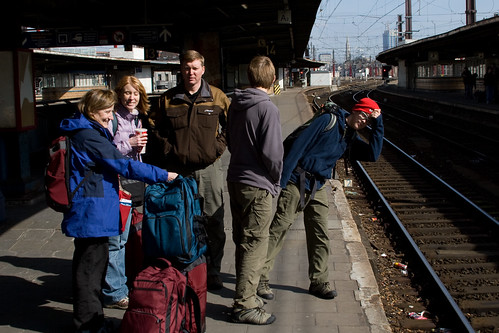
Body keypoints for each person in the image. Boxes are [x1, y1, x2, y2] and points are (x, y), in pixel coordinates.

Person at [59, 89, 178, 333]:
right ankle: (89, 326)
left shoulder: (85, 132)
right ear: (92, 111)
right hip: (92, 212)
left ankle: (93, 321)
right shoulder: (89, 137)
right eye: (107, 111)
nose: (111, 116)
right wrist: (163, 175)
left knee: (91, 268)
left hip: (92, 210)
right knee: (90, 272)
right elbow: (123, 164)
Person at [257, 97, 384, 301]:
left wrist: (378, 125)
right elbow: (298, 146)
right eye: (363, 116)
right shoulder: (328, 121)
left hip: (318, 185)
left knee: (320, 234)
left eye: (369, 121)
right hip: (296, 180)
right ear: (356, 110)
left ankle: (318, 281)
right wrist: (278, 183)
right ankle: (259, 278)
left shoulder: (350, 136)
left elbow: (373, 154)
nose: (364, 122)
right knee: (279, 229)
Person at [146, 50, 231, 290]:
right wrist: (168, 149)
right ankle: (182, 269)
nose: (190, 72)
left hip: (208, 171)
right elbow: (154, 126)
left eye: (195, 68)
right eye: (186, 68)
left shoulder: (217, 97)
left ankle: (213, 271)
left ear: (203, 69)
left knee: (213, 221)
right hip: (177, 172)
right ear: (180, 70)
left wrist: (217, 147)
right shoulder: (168, 99)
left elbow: (231, 125)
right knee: (180, 220)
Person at [226, 56, 283, 325]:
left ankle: (245, 293)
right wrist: (276, 180)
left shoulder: (235, 105)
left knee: (242, 240)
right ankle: (245, 304)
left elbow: (228, 140)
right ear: (272, 79)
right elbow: (272, 154)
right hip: (258, 184)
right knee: (255, 243)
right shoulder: (267, 109)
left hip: (235, 178)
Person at [101, 76, 149, 310]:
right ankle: (114, 292)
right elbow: (106, 152)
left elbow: (133, 153)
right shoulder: (113, 119)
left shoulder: (137, 118)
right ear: (119, 94)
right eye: (128, 93)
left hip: (133, 182)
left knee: (127, 236)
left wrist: (139, 148)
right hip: (117, 184)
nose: (132, 98)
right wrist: (130, 143)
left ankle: (120, 282)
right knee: (116, 239)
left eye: (136, 93)